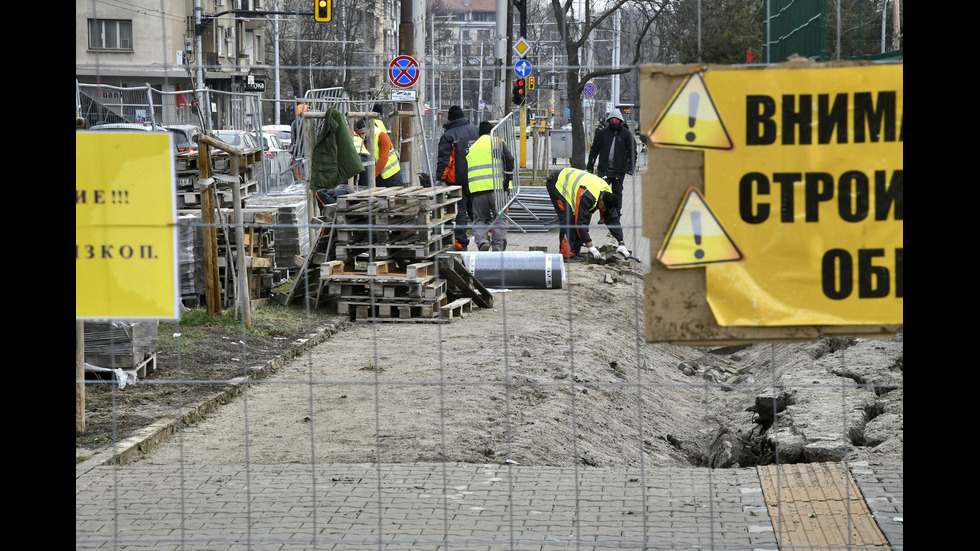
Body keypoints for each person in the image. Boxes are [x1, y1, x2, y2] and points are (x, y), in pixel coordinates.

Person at [545, 167, 631, 262]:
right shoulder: (588, 196)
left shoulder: (607, 196)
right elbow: (580, 222)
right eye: (603, 207)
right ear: (601, 200)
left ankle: (576, 251)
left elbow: (613, 220)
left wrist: (621, 242)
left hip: (575, 187)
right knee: (568, 218)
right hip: (558, 183)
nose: (603, 209)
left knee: (581, 219)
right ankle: (567, 254)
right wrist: (590, 246)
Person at [435, 105, 480, 250]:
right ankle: (484, 236)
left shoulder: (449, 135)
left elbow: (445, 160)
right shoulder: (476, 130)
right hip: (476, 177)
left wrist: (440, 178)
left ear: (450, 118)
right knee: (475, 210)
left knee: (460, 211)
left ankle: (460, 242)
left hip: (458, 179)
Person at [466, 120, 515, 252]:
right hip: (498, 190)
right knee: (500, 219)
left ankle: (482, 241)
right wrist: (507, 179)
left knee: (480, 219)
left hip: (478, 191)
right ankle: (498, 249)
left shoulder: (473, 147)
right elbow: (509, 159)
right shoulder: (497, 142)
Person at [586, 107, 636, 209]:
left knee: (617, 193)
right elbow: (594, 150)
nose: (614, 122)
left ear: (620, 121)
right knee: (601, 193)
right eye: (612, 120)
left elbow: (632, 152)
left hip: (619, 170)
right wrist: (590, 165)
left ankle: (616, 214)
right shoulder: (602, 133)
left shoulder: (626, 135)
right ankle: (603, 214)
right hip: (604, 169)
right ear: (609, 121)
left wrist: (631, 167)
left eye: (616, 120)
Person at [370, 103, 401, 187]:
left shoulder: (374, 127)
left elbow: (383, 157)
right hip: (390, 171)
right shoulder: (380, 124)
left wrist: (373, 175)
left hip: (388, 172)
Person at [351, 119, 370, 189]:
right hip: (363, 160)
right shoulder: (360, 140)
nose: (362, 136)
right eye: (360, 134)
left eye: (363, 133)